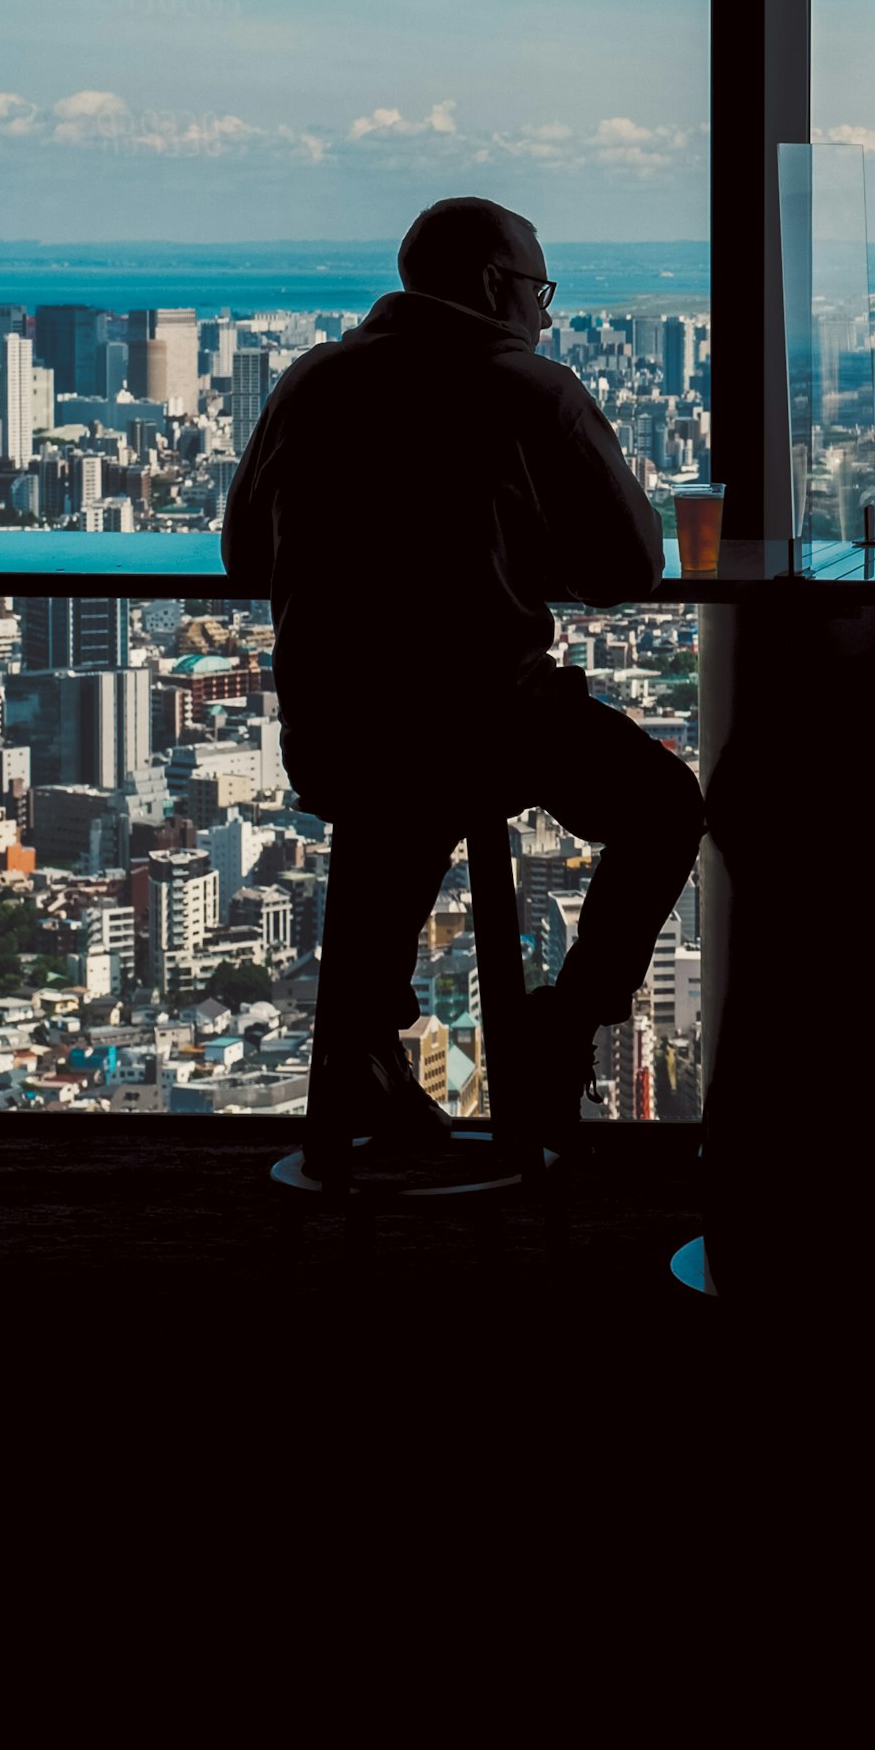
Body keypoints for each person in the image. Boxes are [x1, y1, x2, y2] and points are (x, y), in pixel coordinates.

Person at [224, 196, 704, 1177]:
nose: (545, 311)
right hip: (484, 723)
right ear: (496, 286)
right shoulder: (531, 389)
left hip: (331, 729)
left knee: (394, 808)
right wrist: (517, 559)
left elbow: (241, 557)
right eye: (539, 290)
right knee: (664, 805)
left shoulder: (312, 379)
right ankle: (564, 1027)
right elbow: (628, 568)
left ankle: (365, 1047)